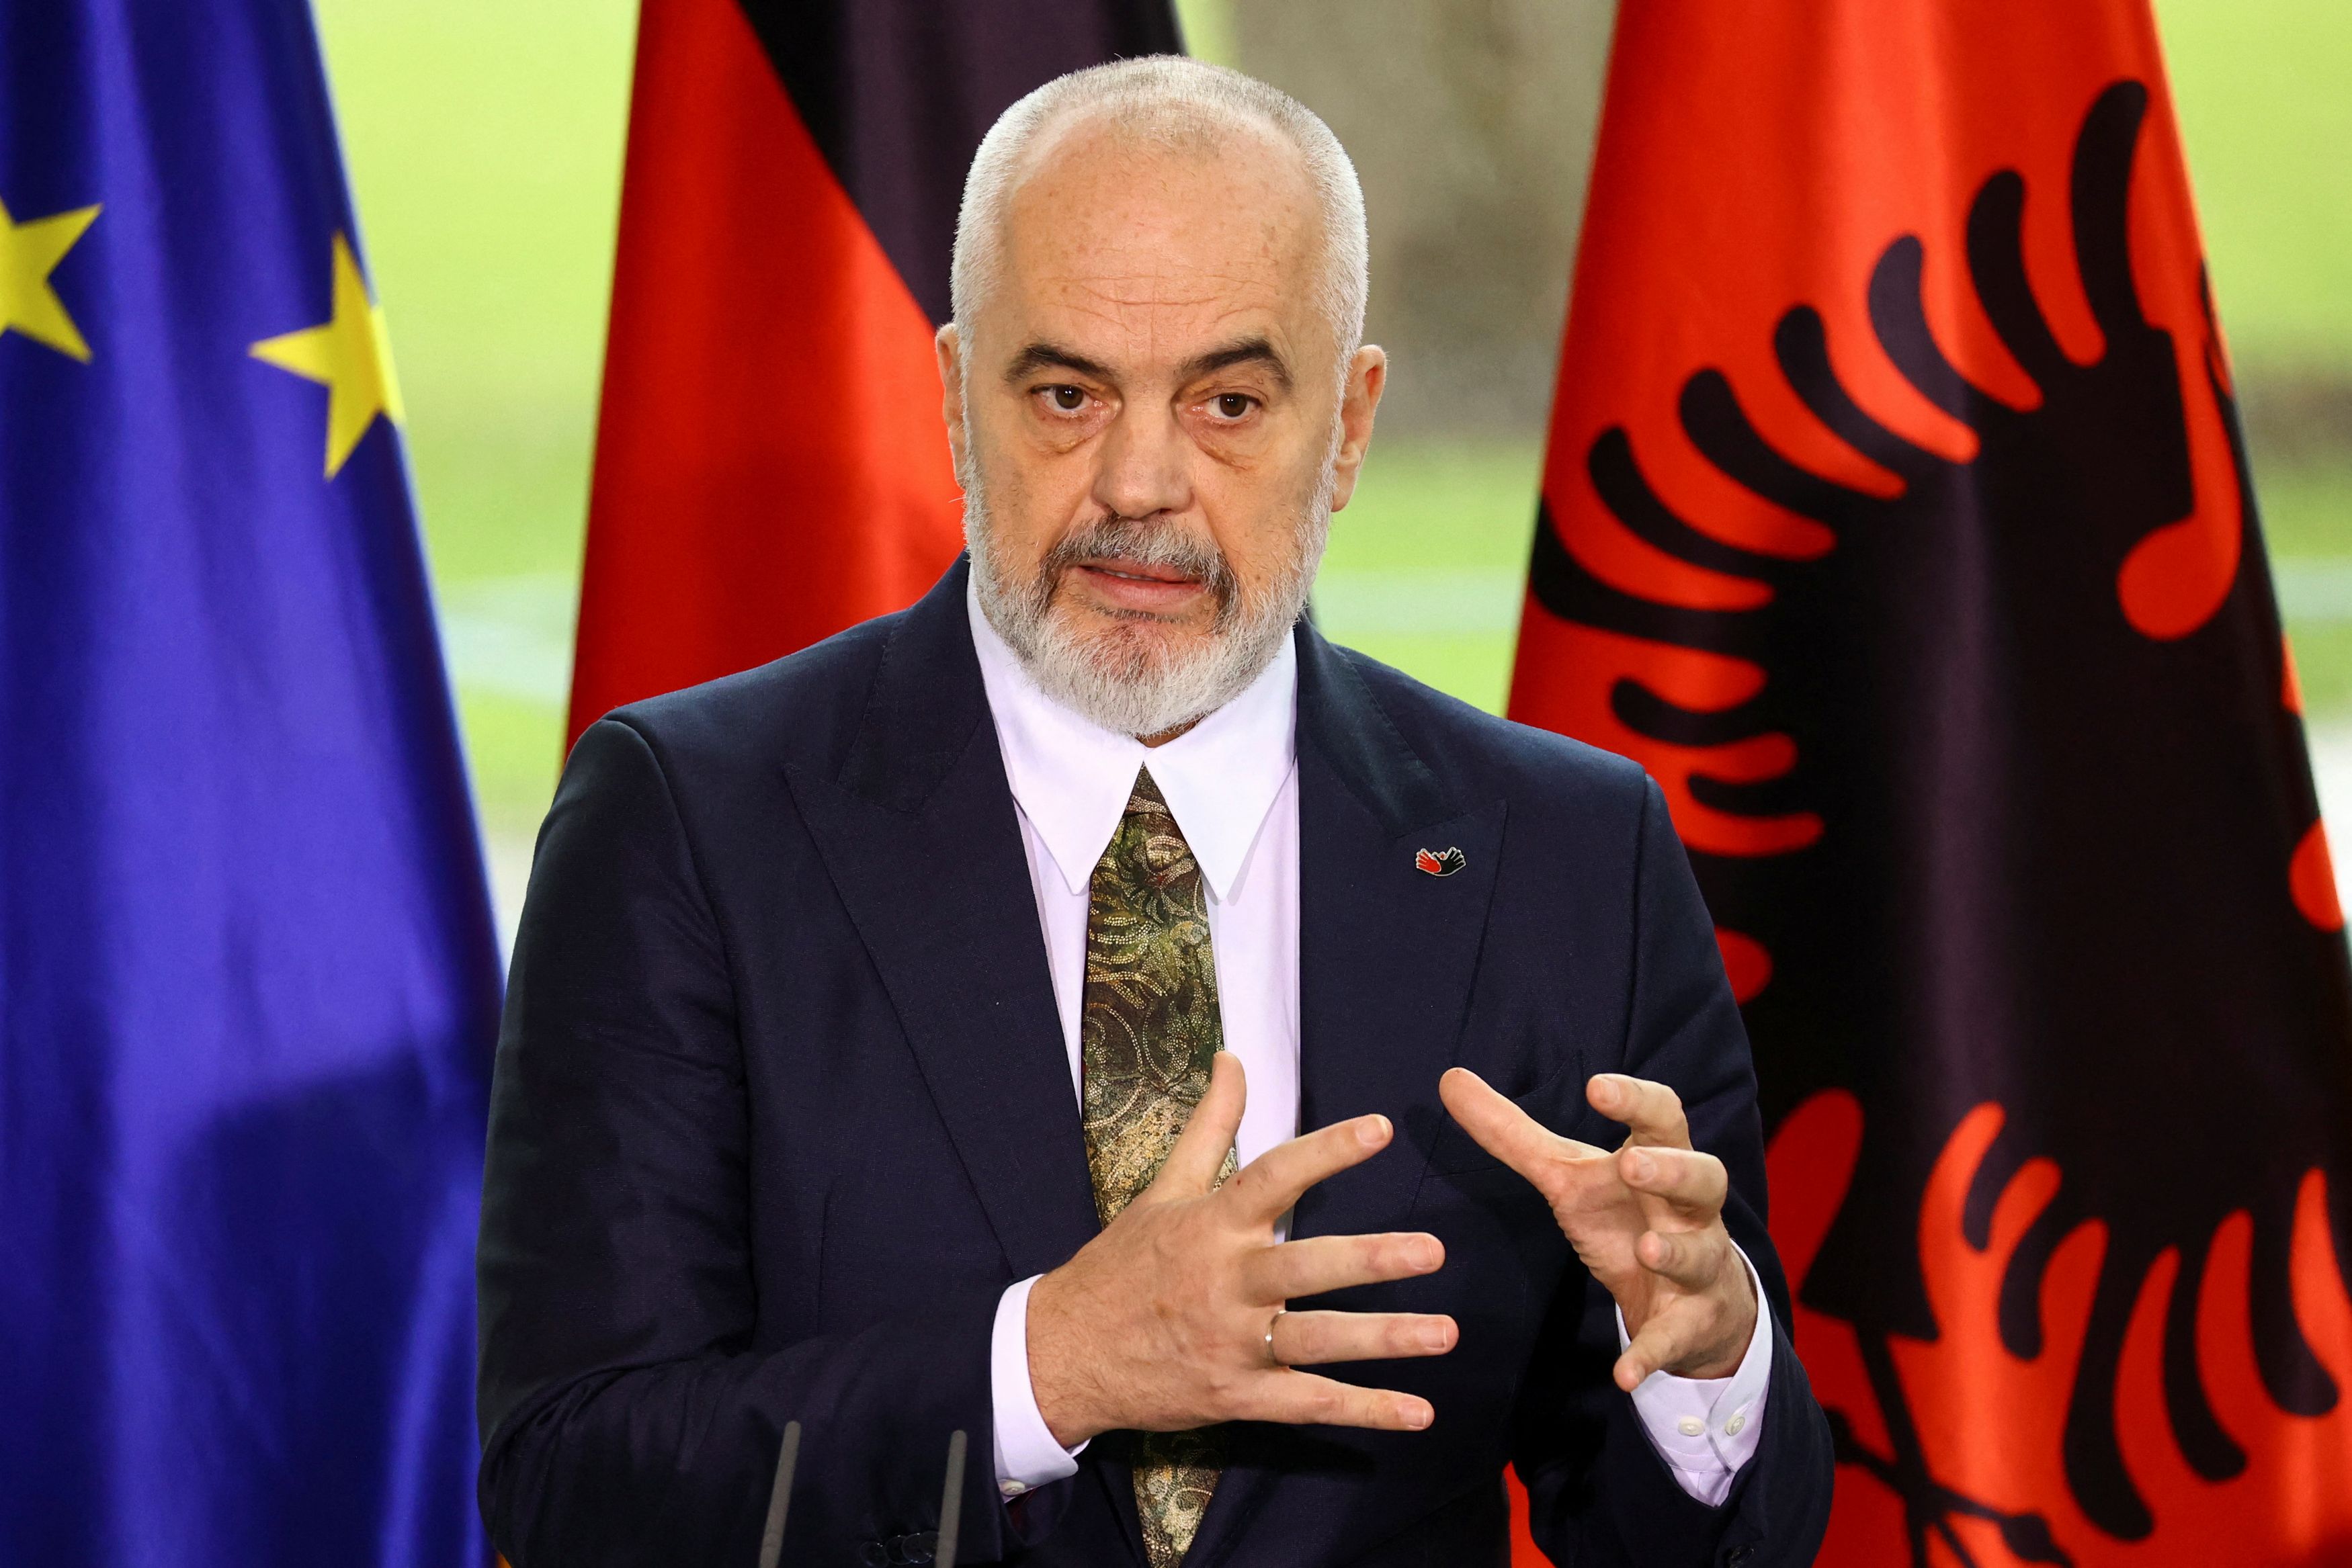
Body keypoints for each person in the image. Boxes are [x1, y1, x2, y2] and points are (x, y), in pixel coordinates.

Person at [476, 56, 1834, 1567]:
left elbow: (1719, 1543)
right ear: (955, 396)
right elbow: (573, 1480)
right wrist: (1048, 1367)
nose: (1139, 483)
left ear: (1351, 423)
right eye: (1067, 396)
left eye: (1228, 403)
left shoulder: (1570, 856)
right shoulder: (689, 825)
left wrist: (1706, 1363)